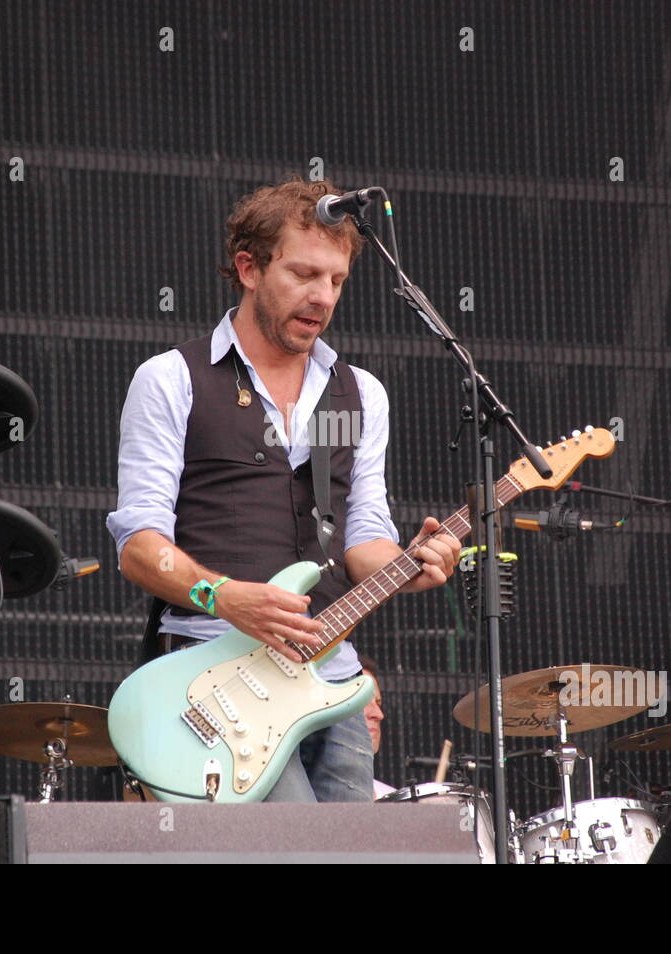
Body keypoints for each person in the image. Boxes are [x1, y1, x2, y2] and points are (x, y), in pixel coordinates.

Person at [106, 176, 460, 802]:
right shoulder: (172, 379)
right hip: (214, 677)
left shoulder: (360, 394)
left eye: (337, 281)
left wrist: (414, 564)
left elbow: (363, 540)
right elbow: (139, 545)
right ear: (248, 267)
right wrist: (224, 595)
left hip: (334, 676)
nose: (322, 297)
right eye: (303, 274)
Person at [358, 653, 397, 799]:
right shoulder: (304, 797)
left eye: (378, 703)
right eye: (362, 702)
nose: (378, 714)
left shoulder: (392, 801)